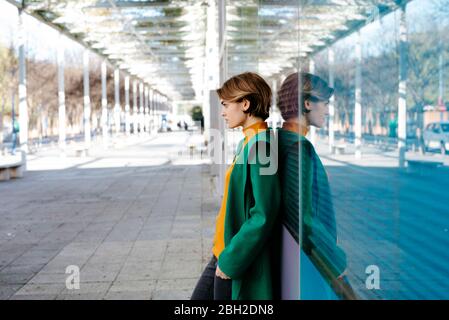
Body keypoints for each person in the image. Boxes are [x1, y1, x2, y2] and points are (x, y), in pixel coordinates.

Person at [191, 72, 281, 300]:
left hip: (233, 256)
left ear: (245, 103)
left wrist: (232, 260)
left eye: (225, 105)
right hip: (223, 250)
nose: (222, 112)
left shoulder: (261, 147)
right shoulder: (248, 142)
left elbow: (263, 214)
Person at [275, 72, 354, 299]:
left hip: (295, 256)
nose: (328, 111)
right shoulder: (297, 148)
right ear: (308, 103)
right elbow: (301, 218)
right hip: (307, 261)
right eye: (326, 103)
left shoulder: (280, 141)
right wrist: (335, 260)